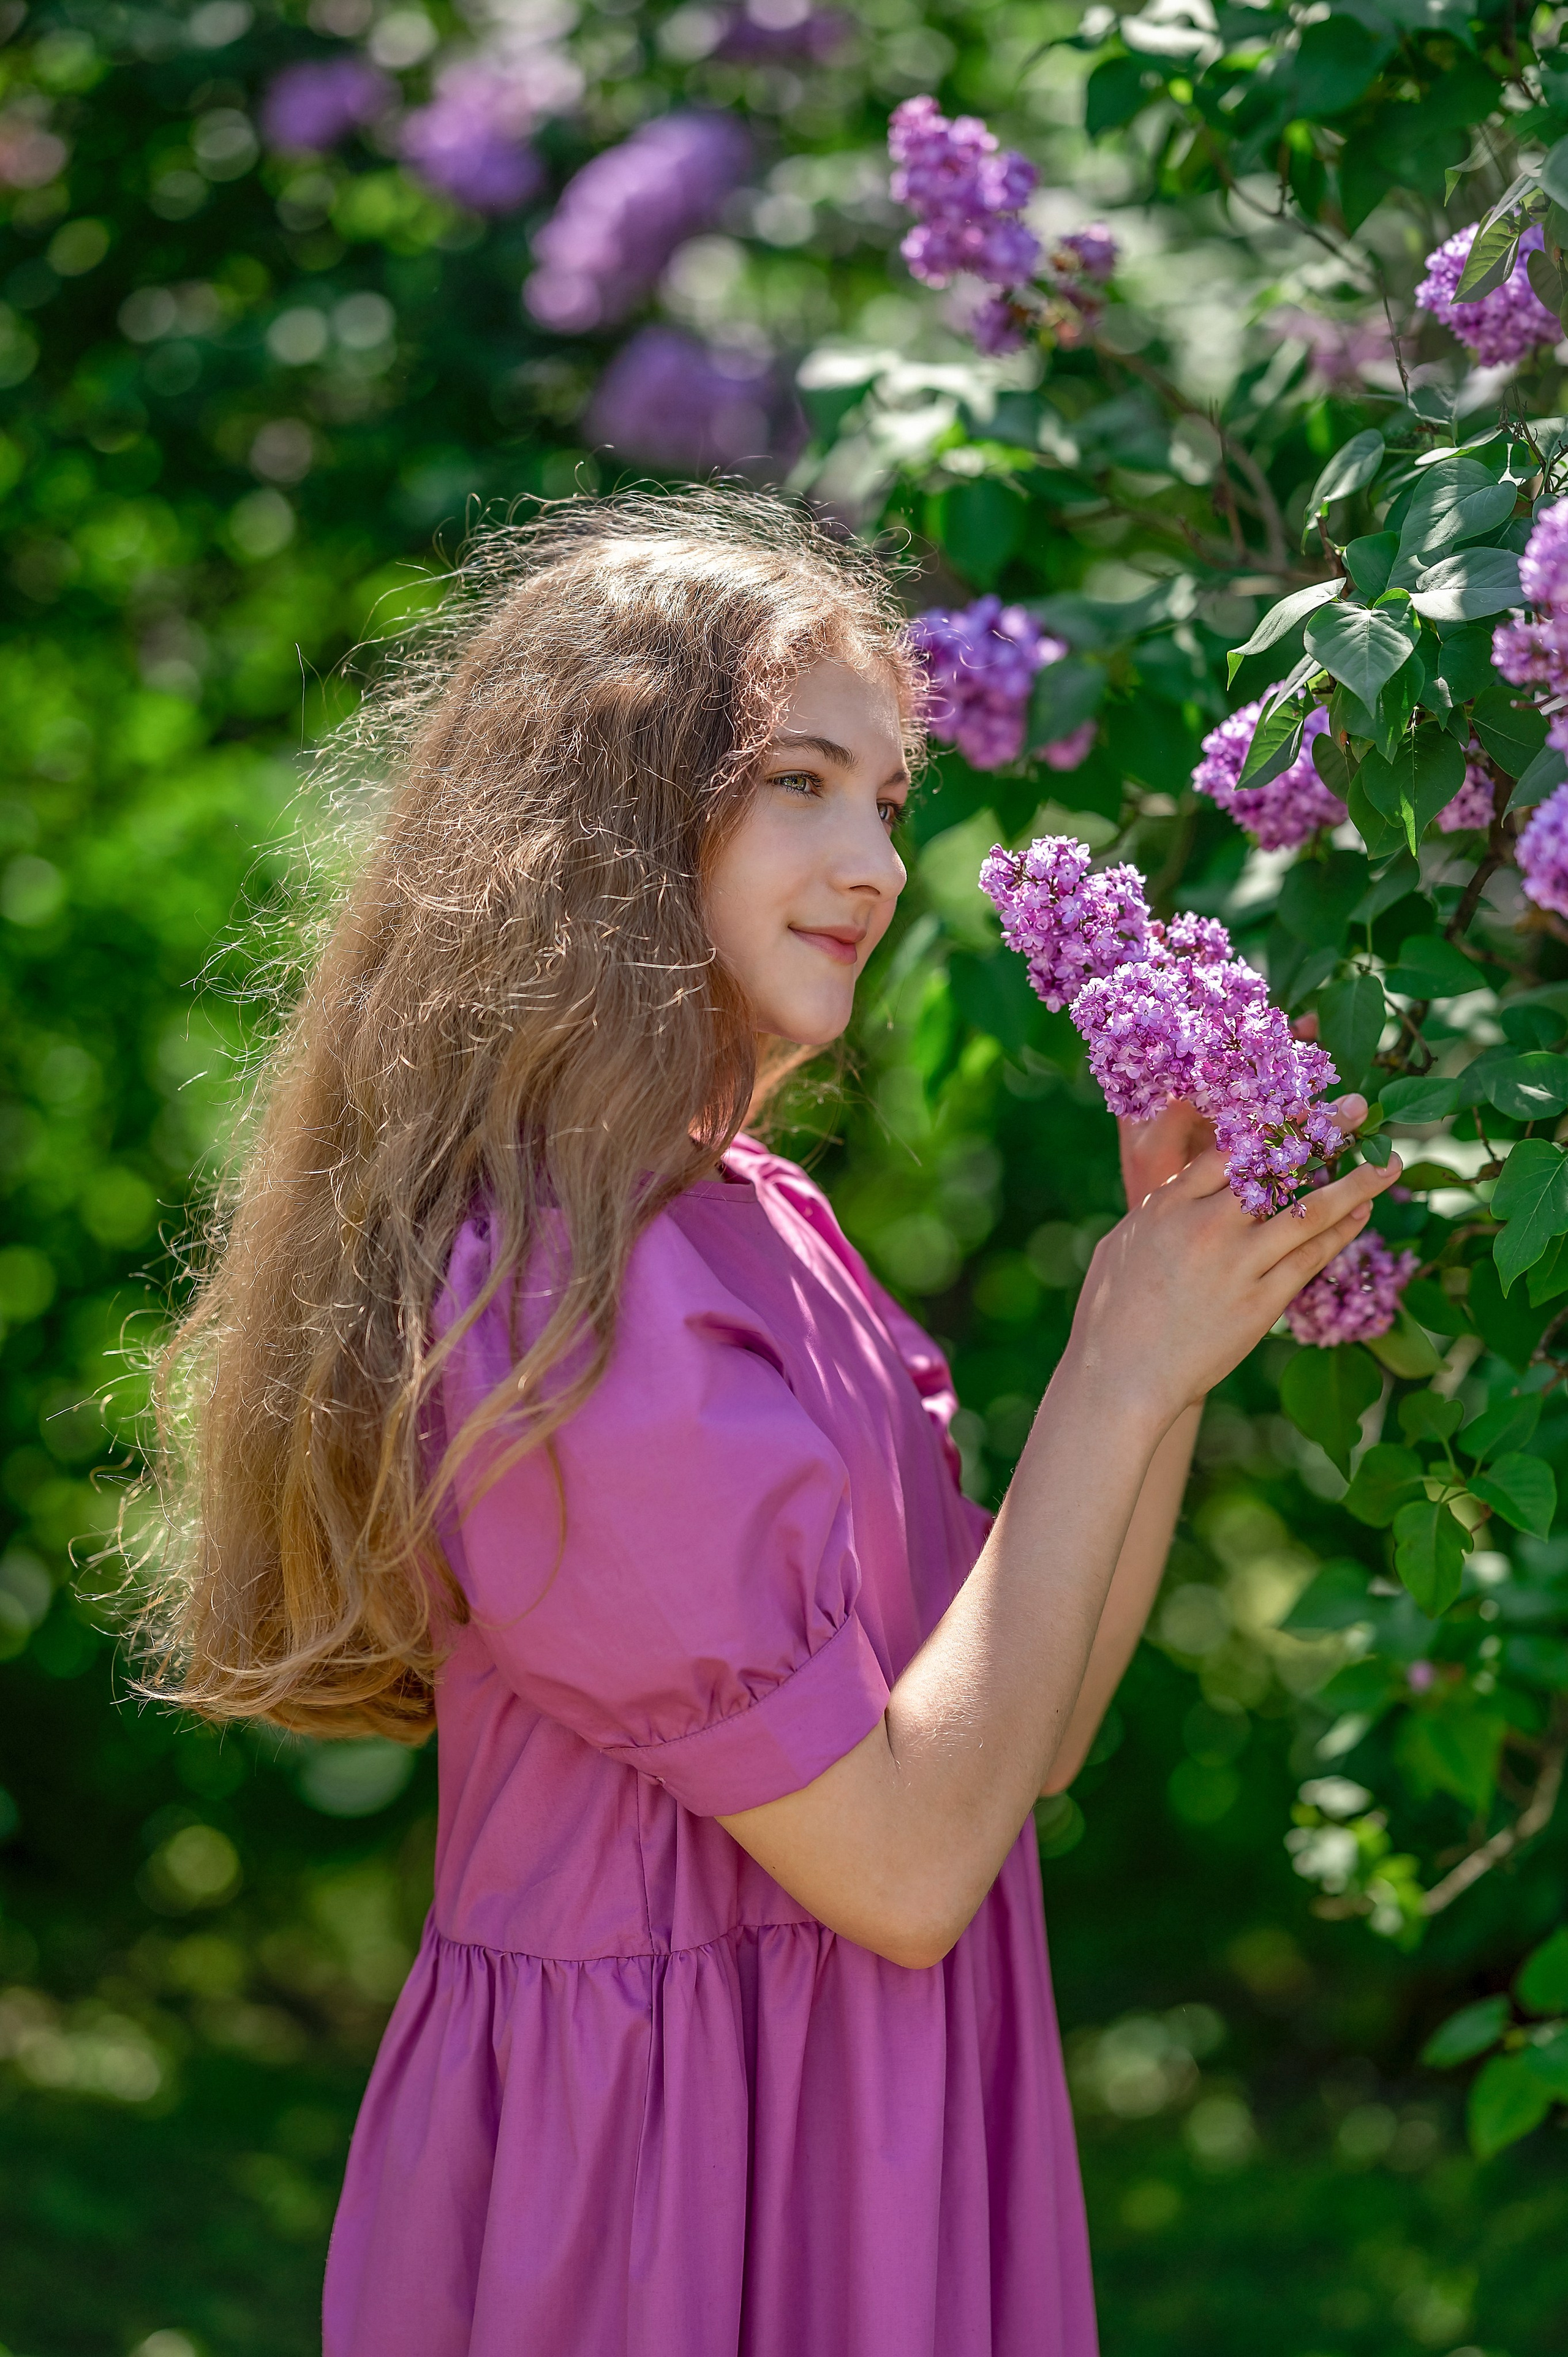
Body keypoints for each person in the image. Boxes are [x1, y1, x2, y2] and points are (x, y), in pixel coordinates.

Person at [142, 487, 1393, 2357]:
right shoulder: (559, 1307)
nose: (880, 864)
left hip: (851, 2113)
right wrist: (1115, 1372)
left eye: (890, 801)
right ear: (607, 831)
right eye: (800, 783)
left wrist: (1160, 1339)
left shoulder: (762, 1224)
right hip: (662, 2192)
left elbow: (1019, 1743)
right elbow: (900, 1866)